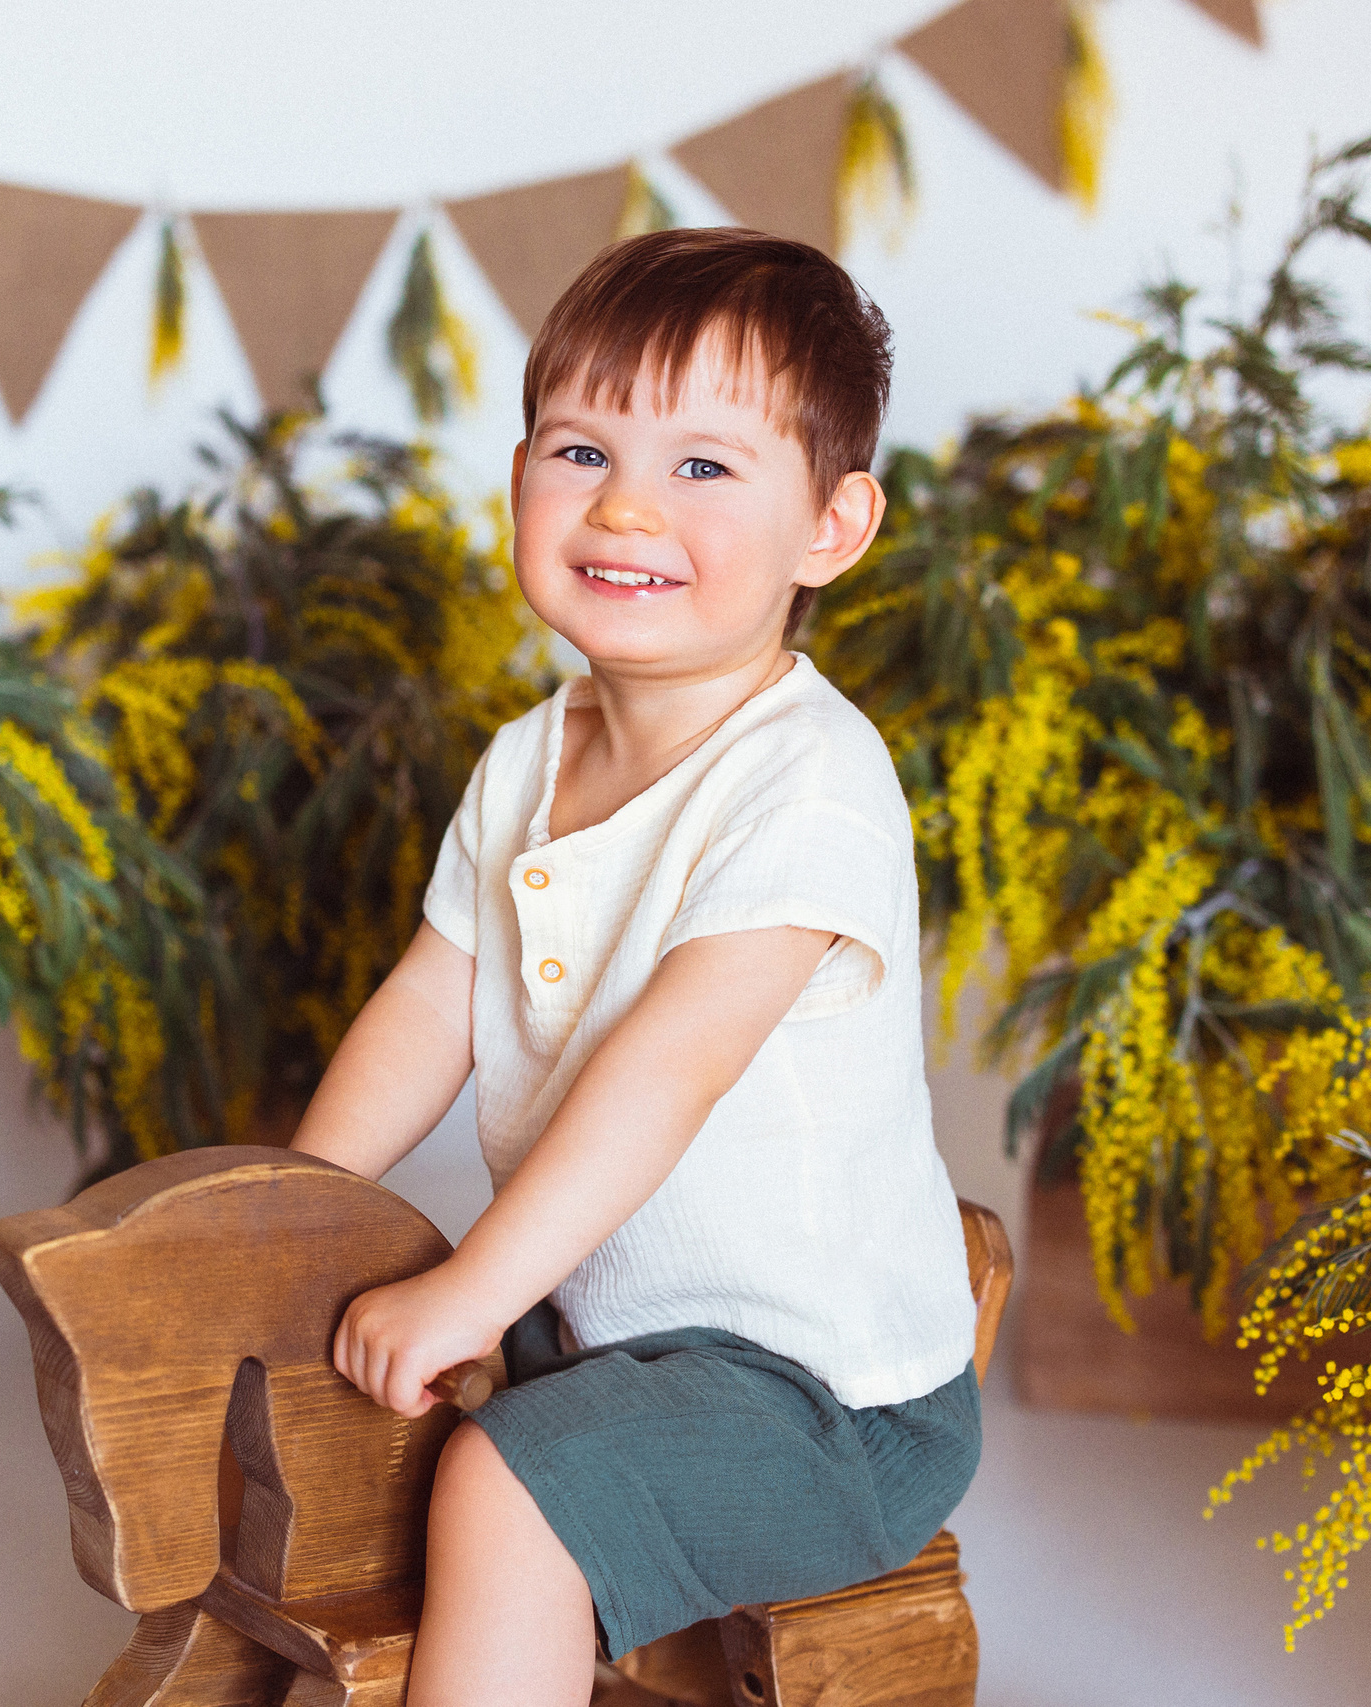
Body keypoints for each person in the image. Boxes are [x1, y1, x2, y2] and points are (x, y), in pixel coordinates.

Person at [287, 226, 980, 1706]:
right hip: (615, 1338)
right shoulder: (530, 757)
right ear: (519, 474)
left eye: (704, 466)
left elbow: (663, 1077)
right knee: (378, 1420)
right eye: (581, 450)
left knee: (504, 1490)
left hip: (825, 1401)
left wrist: (473, 1290)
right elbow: (430, 1000)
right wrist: (291, 1213)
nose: (625, 506)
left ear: (832, 526)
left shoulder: (809, 782)